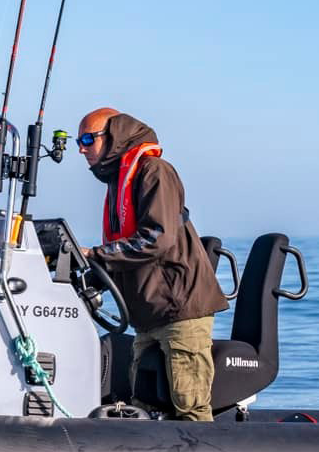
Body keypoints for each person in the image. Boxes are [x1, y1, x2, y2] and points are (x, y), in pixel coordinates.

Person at [76, 108, 229, 421]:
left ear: (113, 137)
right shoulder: (119, 183)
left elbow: (156, 238)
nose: (81, 148)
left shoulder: (154, 171)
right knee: (143, 405)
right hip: (148, 316)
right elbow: (123, 254)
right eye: (79, 141)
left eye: (88, 139)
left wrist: (96, 254)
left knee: (190, 407)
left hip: (178, 311)